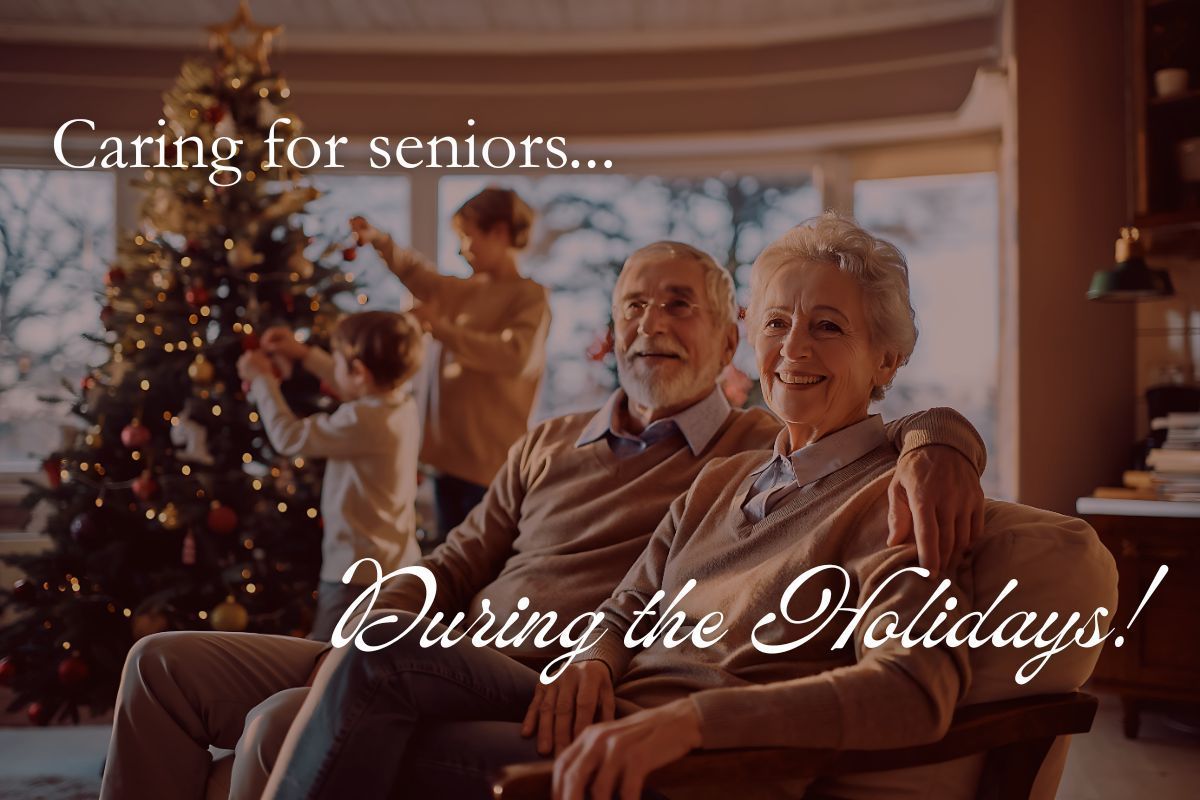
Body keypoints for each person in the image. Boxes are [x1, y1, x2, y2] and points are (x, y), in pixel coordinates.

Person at [245, 233, 988, 800]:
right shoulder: (728, 480)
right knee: (334, 682)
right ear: (752, 340)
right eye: (780, 323)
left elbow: (914, 688)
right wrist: (598, 655)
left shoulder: (902, 495)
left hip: (687, 769)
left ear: (886, 359)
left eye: (828, 326)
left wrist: (689, 724)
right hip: (600, 717)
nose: (793, 349)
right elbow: (628, 600)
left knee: (346, 685)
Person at [350, 187, 551, 540]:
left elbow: (514, 356)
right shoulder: (464, 291)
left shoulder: (528, 297)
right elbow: (417, 274)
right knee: (449, 567)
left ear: (500, 233)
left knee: (479, 572)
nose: (461, 249)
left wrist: (439, 328)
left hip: (488, 469)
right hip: (445, 461)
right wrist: (379, 239)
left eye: (468, 238)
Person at [236, 310, 425, 641]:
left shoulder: (363, 419)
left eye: (338, 361)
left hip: (355, 575)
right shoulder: (400, 405)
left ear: (359, 371)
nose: (334, 370)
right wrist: (305, 355)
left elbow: (288, 437)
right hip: (397, 563)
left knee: (327, 657)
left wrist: (263, 379)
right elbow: (353, 382)